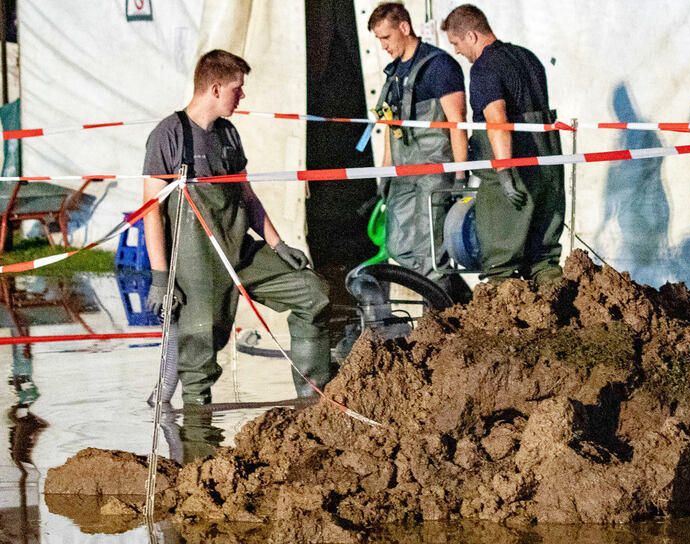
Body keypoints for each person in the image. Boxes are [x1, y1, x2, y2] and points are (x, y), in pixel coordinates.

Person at [142, 49, 331, 406]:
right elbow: (153, 212)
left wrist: (277, 245)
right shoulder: (168, 135)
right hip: (197, 267)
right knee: (197, 361)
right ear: (215, 88)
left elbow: (247, 198)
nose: (242, 96)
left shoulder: (228, 134)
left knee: (312, 293)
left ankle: (315, 401)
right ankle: (199, 447)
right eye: (236, 88)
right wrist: (160, 277)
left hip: (240, 252)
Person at [441, 4, 565, 283]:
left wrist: (505, 173)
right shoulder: (528, 58)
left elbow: (497, 120)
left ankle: (505, 317)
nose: (457, 52)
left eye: (457, 43)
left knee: (501, 267)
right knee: (544, 260)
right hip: (547, 164)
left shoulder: (485, 68)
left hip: (512, 168)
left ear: (471, 36)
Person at [368, 2, 469, 294]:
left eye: (386, 37)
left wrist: (460, 177)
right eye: (379, 40)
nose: (383, 46)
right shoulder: (394, 72)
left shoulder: (439, 65)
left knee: (431, 253)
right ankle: (458, 300)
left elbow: (457, 121)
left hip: (434, 173)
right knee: (398, 247)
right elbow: (390, 126)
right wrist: (385, 174)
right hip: (403, 174)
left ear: (404, 27)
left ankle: (439, 319)